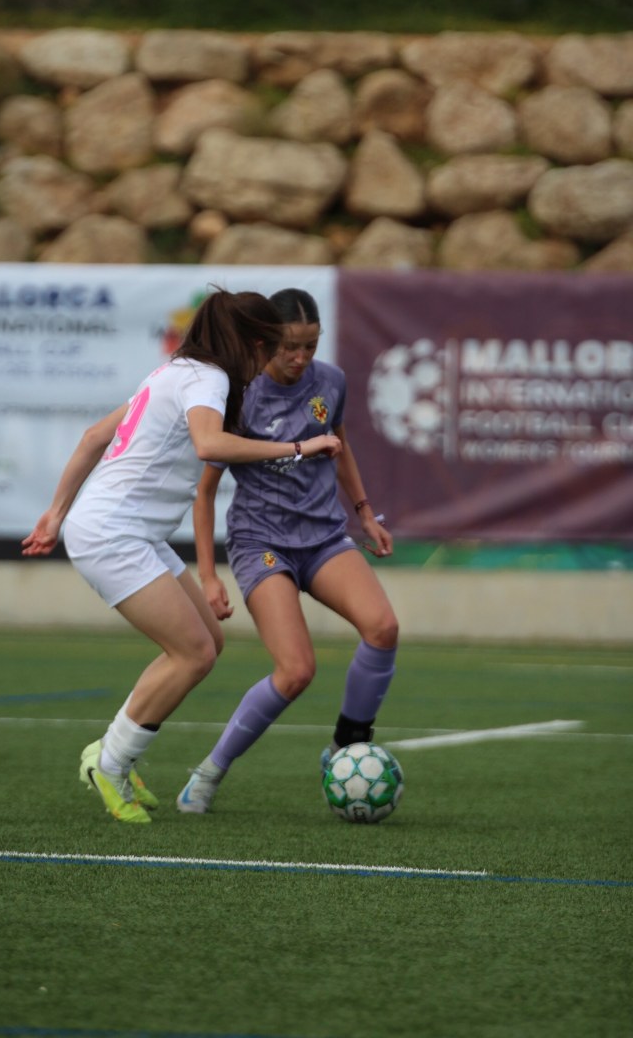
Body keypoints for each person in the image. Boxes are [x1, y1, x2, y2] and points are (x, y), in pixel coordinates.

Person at [21, 288, 342, 825]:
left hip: (130, 533)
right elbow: (209, 445)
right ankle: (111, 763)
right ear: (253, 343)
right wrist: (298, 447)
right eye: (270, 348)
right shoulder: (208, 379)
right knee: (191, 653)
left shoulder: (174, 371)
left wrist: (56, 514)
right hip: (112, 535)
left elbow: (95, 435)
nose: (269, 361)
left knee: (208, 643)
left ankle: (114, 752)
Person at [177, 287, 398, 814]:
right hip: (262, 543)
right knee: (296, 671)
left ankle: (345, 746)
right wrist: (208, 576)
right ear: (264, 342)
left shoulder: (331, 382)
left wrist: (364, 513)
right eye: (289, 347)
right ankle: (208, 773)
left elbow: (340, 446)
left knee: (383, 628)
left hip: (323, 537)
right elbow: (205, 494)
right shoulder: (240, 394)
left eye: (310, 346)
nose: (300, 357)